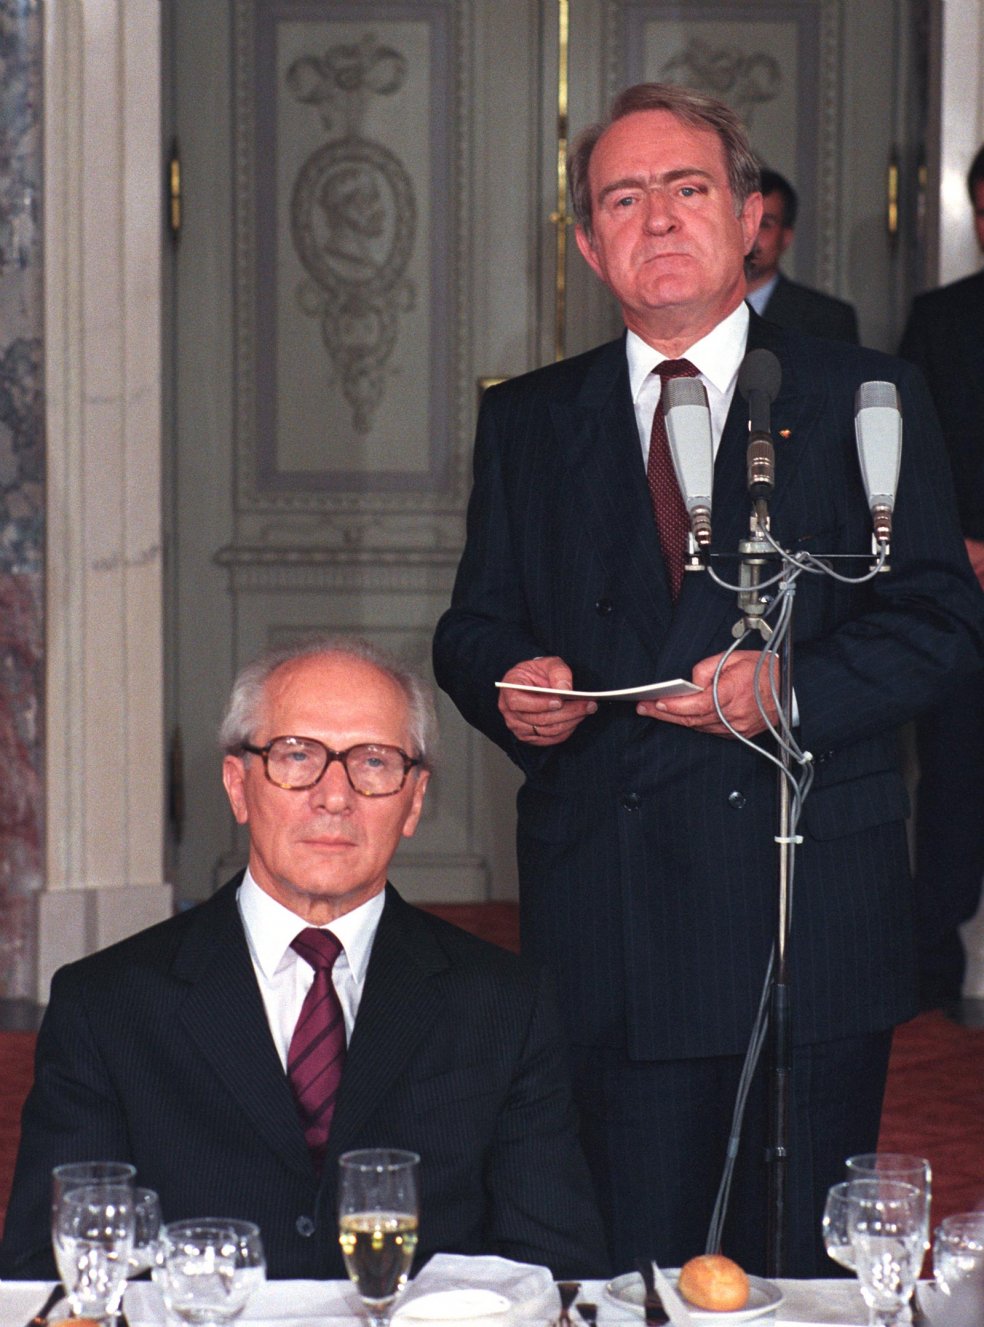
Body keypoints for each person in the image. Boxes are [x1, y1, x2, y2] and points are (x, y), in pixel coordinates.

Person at [432, 83, 984, 1277]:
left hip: (804, 914)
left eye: (688, 189)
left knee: (787, 1275)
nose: (659, 219)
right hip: (606, 917)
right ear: (587, 245)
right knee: (631, 1258)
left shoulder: (862, 394)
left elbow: (940, 620)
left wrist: (786, 691)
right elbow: (471, 627)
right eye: (623, 199)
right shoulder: (530, 420)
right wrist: (505, 683)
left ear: (749, 218)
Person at [0, 637, 608, 1281]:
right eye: (297, 757)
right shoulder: (106, 1004)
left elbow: (554, 1275)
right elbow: (53, 1275)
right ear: (238, 786)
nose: (334, 796)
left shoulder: (505, 1004)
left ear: (414, 799)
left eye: (373, 762)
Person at [898, 143, 984, 1012]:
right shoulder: (942, 318)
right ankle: (932, 982)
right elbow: (904, 454)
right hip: (968, 596)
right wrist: (954, 543)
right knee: (953, 791)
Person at [745, 168, 859, 343]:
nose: (752, 233)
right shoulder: (695, 307)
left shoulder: (828, 319)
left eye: (765, 224)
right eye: (744, 219)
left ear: (786, 237)